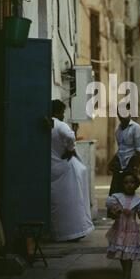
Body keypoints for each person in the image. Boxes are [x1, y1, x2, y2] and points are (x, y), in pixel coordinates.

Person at [51, 100, 94, 242]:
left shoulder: (46, 124)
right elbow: (70, 136)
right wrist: (70, 150)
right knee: (73, 201)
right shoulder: (59, 124)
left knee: (56, 203)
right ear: (57, 112)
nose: (63, 115)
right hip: (65, 168)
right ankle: (76, 231)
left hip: (52, 168)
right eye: (62, 112)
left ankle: (57, 233)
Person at [106, 172, 140, 279]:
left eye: (132, 182)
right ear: (122, 185)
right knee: (121, 253)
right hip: (119, 229)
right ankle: (124, 272)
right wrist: (117, 212)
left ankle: (127, 274)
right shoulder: (117, 198)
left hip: (131, 230)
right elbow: (113, 213)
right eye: (126, 183)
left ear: (136, 184)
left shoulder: (138, 201)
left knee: (129, 254)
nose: (129, 185)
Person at [108, 105, 140, 196]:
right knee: (115, 192)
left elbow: (139, 151)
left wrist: (135, 169)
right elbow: (121, 149)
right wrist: (111, 162)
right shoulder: (118, 130)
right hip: (119, 164)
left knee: (128, 193)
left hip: (130, 165)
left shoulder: (136, 128)